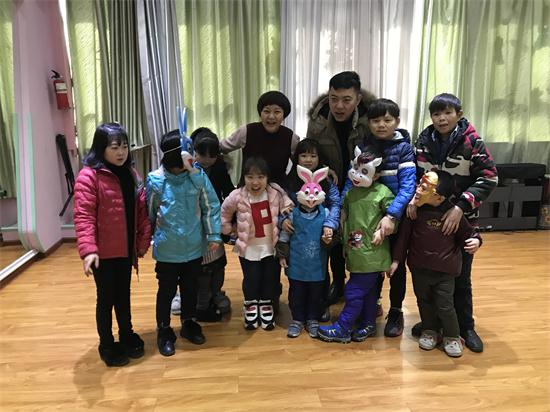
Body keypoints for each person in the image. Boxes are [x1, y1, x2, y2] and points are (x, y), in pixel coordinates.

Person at [409, 93, 498, 353]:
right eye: (436, 114)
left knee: (460, 276)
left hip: (461, 220)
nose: (441, 118)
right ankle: (434, 323)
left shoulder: (472, 141)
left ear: (459, 114)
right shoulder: (424, 141)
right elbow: (416, 176)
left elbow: (489, 177)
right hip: (428, 220)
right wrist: (414, 199)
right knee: (428, 275)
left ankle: (465, 326)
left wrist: (460, 207)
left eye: (447, 113)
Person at [74, 122, 151, 367]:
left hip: (125, 250)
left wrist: (142, 242)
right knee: (106, 298)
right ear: (101, 148)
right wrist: (89, 250)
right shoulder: (89, 176)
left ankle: (126, 334)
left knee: (123, 295)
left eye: (125, 147)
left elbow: (141, 211)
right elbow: (83, 216)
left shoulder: (131, 173)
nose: (121, 152)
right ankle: (106, 344)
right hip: (103, 254)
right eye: (115, 147)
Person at [390, 170, 482, 357]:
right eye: (419, 184)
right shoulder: (413, 211)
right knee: (424, 302)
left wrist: (476, 241)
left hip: (444, 271)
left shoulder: (452, 213)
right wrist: (396, 260)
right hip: (419, 268)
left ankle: (452, 335)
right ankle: (430, 330)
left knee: (445, 305)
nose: (417, 190)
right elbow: (403, 238)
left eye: (423, 188)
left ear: (439, 198)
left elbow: (469, 233)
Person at [146, 130, 222, 357]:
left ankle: (189, 322)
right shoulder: (156, 181)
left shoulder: (197, 177)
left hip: (193, 248)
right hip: (168, 249)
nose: (188, 165)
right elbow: (149, 213)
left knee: (190, 288)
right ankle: (164, 329)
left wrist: (213, 235)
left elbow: (211, 206)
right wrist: (147, 239)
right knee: (166, 291)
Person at [307, 71, 377, 304]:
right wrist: (324, 169)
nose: (339, 106)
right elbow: (311, 153)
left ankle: (368, 291)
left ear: (358, 99)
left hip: (365, 187)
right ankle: (338, 282)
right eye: (333, 98)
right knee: (333, 236)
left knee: (363, 239)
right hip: (332, 187)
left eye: (346, 100)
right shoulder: (318, 120)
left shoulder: (370, 119)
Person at [354, 98, 417, 337]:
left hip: (396, 218)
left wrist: (391, 215)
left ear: (397, 121)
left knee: (396, 266)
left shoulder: (404, 148)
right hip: (368, 217)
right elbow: (355, 180)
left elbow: (408, 186)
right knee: (371, 264)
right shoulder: (362, 147)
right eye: (376, 120)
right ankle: (373, 306)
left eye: (387, 120)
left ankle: (396, 311)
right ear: (368, 123)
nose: (381, 125)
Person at [318, 150, 394, 343]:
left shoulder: (383, 193)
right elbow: (345, 217)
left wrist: (384, 227)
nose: (357, 174)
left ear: (376, 175)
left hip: (372, 253)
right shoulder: (350, 193)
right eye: (355, 168)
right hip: (355, 251)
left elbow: (393, 217)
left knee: (353, 291)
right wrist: (343, 241)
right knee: (368, 292)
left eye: (364, 171)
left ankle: (343, 327)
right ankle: (368, 323)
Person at [220, 157, 294, 331]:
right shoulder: (237, 195)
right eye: (250, 177)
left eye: (260, 177)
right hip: (248, 248)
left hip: (271, 247)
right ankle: (251, 306)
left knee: (270, 278)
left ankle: (266, 305)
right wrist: (227, 228)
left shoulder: (275, 193)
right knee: (251, 279)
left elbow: (288, 205)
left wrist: (285, 217)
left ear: (267, 178)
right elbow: (224, 211)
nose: (255, 182)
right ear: (243, 177)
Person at [171, 127, 234, 321]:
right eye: (201, 154)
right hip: (190, 221)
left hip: (213, 220)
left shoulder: (220, 168)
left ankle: (216, 292)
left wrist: (229, 219)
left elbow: (228, 192)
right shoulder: (184, 167)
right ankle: (183, 294)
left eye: (211, 156)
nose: (206, 160)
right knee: (189, 263)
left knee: (216, 262)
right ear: (193, 152)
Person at [283, 138, 340, 321]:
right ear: (297, 158)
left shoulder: (327, 180)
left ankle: (320, 305)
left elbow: (335, 204)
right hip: (298, 236)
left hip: (321, 235)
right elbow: (283, 205)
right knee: (297, 272)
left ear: (319, 158)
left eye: (313, 156)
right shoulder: (290, 181)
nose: (308, 160)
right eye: (304, 155)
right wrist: (283, 220)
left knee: (321, 271)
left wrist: (330, 224)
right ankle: (299, 310)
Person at [277, 165, 332, 338]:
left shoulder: (326, 214)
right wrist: (282, 255)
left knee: (316, 294)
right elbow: (284, 236)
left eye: (315, 194)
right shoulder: (292, 214)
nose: (311, 198)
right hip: (296, 264)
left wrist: (329, 237)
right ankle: (297, 319)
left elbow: (331, 236)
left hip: (317, 264)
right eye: (307, 193)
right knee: (296, 293)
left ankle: (312, 319)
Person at [219, 90, 300, 188]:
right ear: (260, 113)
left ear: (284, 115)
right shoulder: (246, 131)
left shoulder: (291, 137)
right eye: (266, 111)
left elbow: (300, 164)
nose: (271, 116)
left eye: (277, 112)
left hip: (278, 191)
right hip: (248, 190)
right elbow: (221, 147)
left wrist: (289, 184)